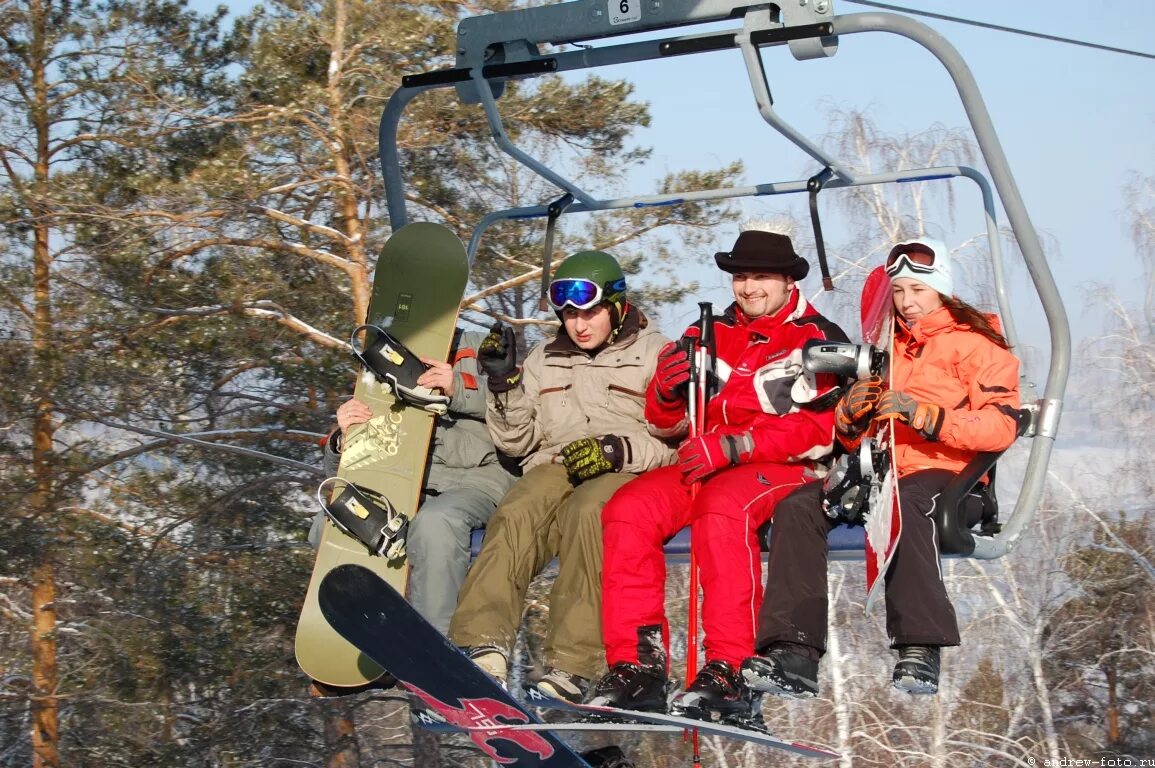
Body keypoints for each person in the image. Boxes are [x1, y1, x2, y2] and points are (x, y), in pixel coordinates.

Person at [740, 237, 1021, 698]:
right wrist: (851, 416)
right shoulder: (886, 348)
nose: (908, 303)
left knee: (908, 505)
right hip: (881, 470)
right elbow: (858, 438)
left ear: (942, 290)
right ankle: (793, 651)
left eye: (919, 291)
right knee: (799, 508)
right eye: (900, 292)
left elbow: (999, 427)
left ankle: (920, 645)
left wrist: (929, 417)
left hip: (949, 477)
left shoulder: (977, 347)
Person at [588, 229, 848, 721]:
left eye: (761, 277)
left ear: (788, 280)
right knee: (627, 510)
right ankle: (638, 665)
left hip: (783, 467)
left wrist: (738, 445)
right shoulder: (704, 332)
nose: (748, 288)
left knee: (722, 507)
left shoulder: (814, 337)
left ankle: (730, 667)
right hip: (706, 460)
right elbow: (667, 423)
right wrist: (665, 394)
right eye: (740, 277)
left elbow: (821, 430)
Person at [447, 250, 676, 703]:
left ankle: (574, 664)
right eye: (570, 314)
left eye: (590, 313)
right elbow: (516, 443)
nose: (579, 325)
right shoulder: (544, 359)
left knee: (589, 515)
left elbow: (673, 442)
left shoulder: (656, 353)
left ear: (616, 307)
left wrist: (616, 450)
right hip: (556, 463)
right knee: (518, 509)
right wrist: (504, 385)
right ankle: (481, 643)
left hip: (624, 467)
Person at [313, 328, 517, 637]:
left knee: (435, 524)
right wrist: (344, 438)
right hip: (409, 480)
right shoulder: (381, 359)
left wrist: (458, 386)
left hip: (479, 474)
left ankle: (436, 644)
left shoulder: (479, 345)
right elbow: (344, 475)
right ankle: (360, 641)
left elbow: (519, 408)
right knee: (329, 524)